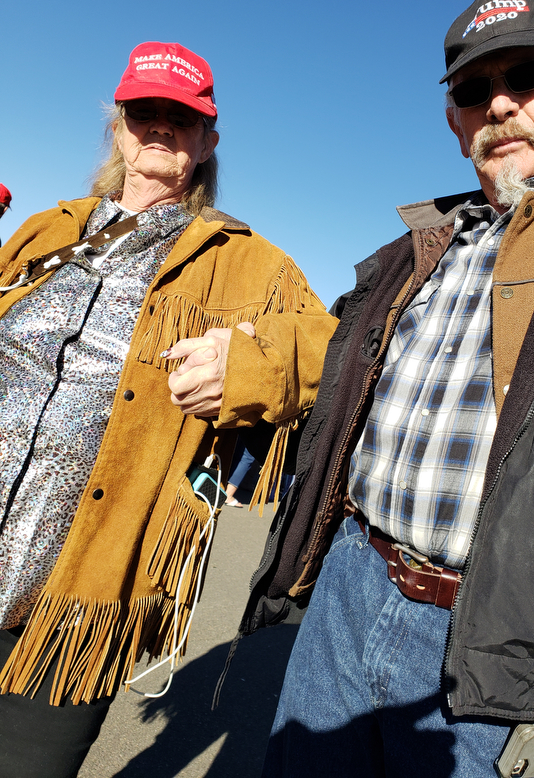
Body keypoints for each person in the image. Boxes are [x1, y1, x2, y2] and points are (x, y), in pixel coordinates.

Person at [239, 0, 534, 777]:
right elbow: (333, 383)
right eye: (471, 89)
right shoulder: (413, 250)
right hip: (353, 584)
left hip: (514, 630)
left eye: (525, 76)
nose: (498, 104)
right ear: (455, 122)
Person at [0, 41, 336, 778]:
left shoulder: (248, 261)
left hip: (75, 595)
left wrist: (249, 365)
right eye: (144, 112)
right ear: (119, 127)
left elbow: (336, 348)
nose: (160, 128)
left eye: (180, 119)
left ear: (207, 141)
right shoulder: (46, 232)